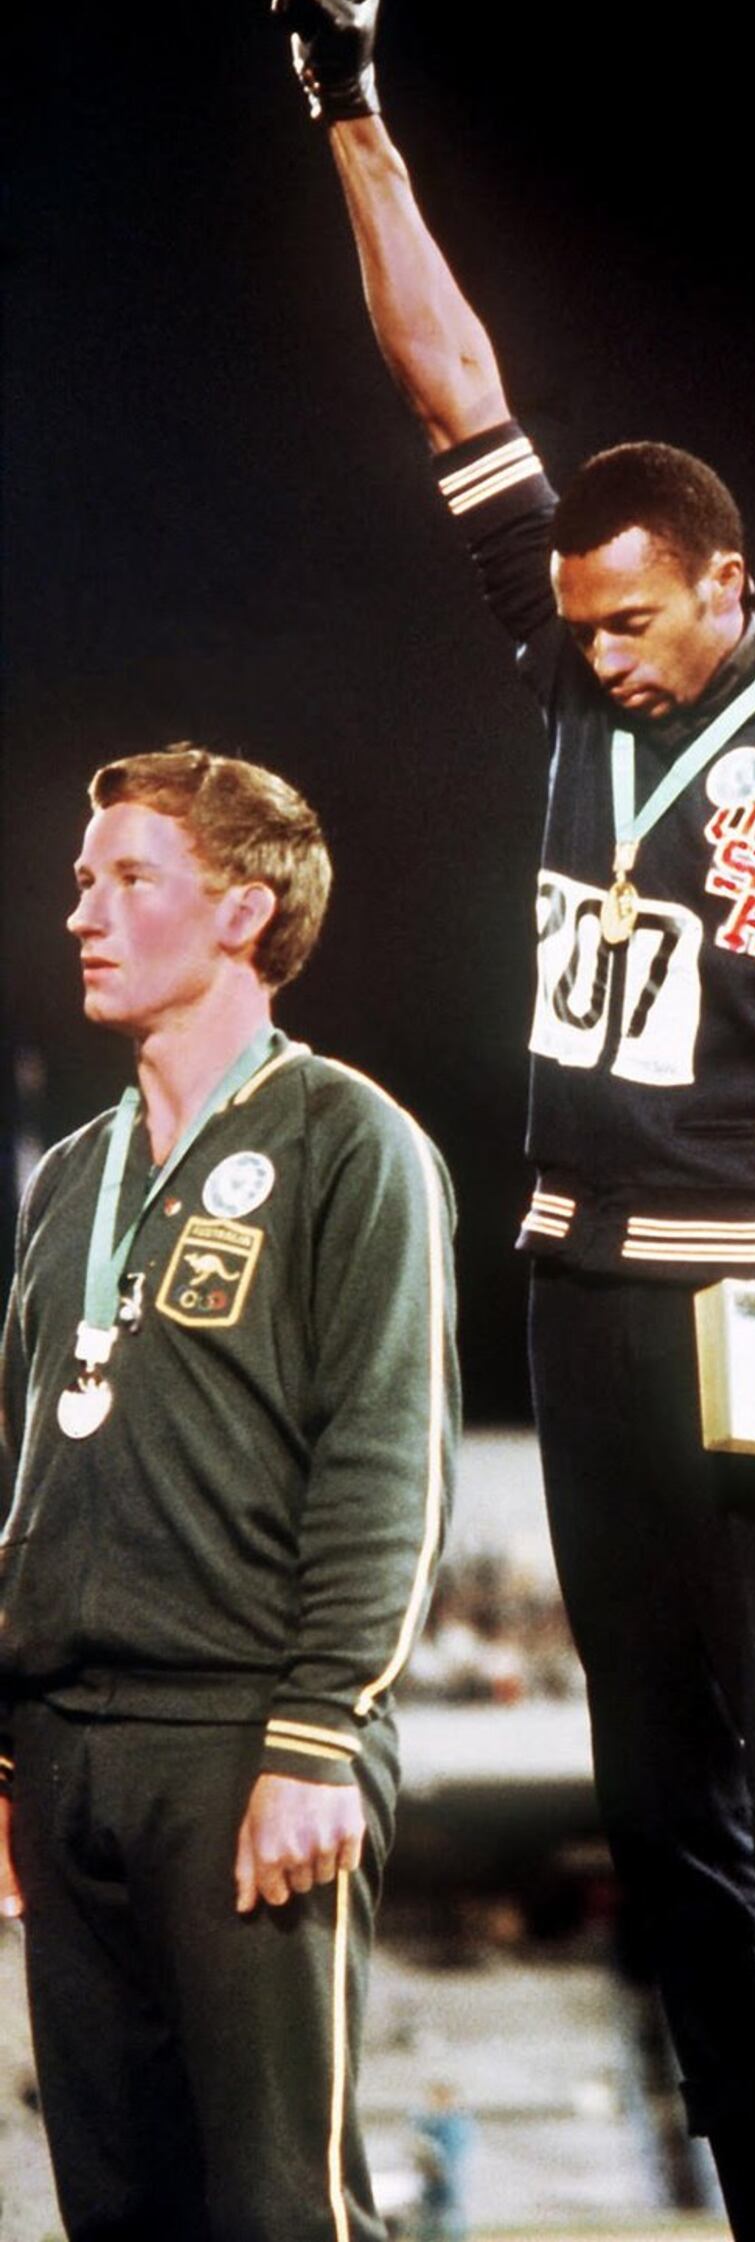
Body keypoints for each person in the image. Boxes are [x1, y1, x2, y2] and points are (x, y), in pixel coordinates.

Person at [272, 0, 755, 2242]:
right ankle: (754, 2209)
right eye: (573, 628)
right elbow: (451, 384)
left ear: (725, 583)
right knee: (654, 1782)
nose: (587, 660)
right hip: (580, 1285)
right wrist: (353, 117)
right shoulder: (569, 643)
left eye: (628, 629)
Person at [0, 747, 459, 2242]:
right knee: (116, 2209)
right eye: (84, 880)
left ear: (244, 910)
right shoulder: (68, 1175)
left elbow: (389, 1457)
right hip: (65, 1750)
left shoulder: (351, 1142)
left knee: (281, 2210)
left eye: (131, 879)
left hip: (250, 1740)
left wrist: (322, 1732)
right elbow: (17, 1473)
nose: (84, 910)